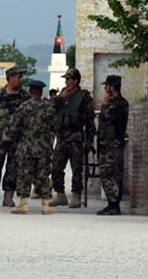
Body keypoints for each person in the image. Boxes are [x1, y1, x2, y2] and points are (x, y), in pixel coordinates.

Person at [4, 80, 55, 215]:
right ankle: (46, 205)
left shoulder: (24, 107)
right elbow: (55, 127)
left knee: (25, 175)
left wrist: (10, 137)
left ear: (31, 91)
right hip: (44, 148)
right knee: (44, 175)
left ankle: (23, 204)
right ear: (41, 91)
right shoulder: (49, 107)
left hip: (26, 148)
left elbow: (14, 128)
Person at [0, 67, 30, 208]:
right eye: (18, 77)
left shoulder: (24, 97)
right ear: (10, 78)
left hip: (17, 139)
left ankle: (8, 196)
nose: (21, 80)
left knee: (13, 168)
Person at [50, 68, 96, 208]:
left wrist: (88, 140)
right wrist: (59, 98)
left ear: (75, 80)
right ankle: (60, 195)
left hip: (76, 137)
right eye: (65, 79)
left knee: (77, 169)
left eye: (68, 79)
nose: (66, 81)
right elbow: (50, 109)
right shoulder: (63, 95)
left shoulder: (84, 97)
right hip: (62, 137)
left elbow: (89, 121)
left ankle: (76, 195)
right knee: (56, 167)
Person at [97, 75, 129, 216]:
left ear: (112, 87)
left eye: (107, 86)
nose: (105, 88)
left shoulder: (118, 104)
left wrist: (104, 105)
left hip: (112, 144)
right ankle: (112, 203)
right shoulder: (118, 103)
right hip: (108, 143)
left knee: (108, 174)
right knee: (111, 174)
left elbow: (106, 117)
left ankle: (113, 204)